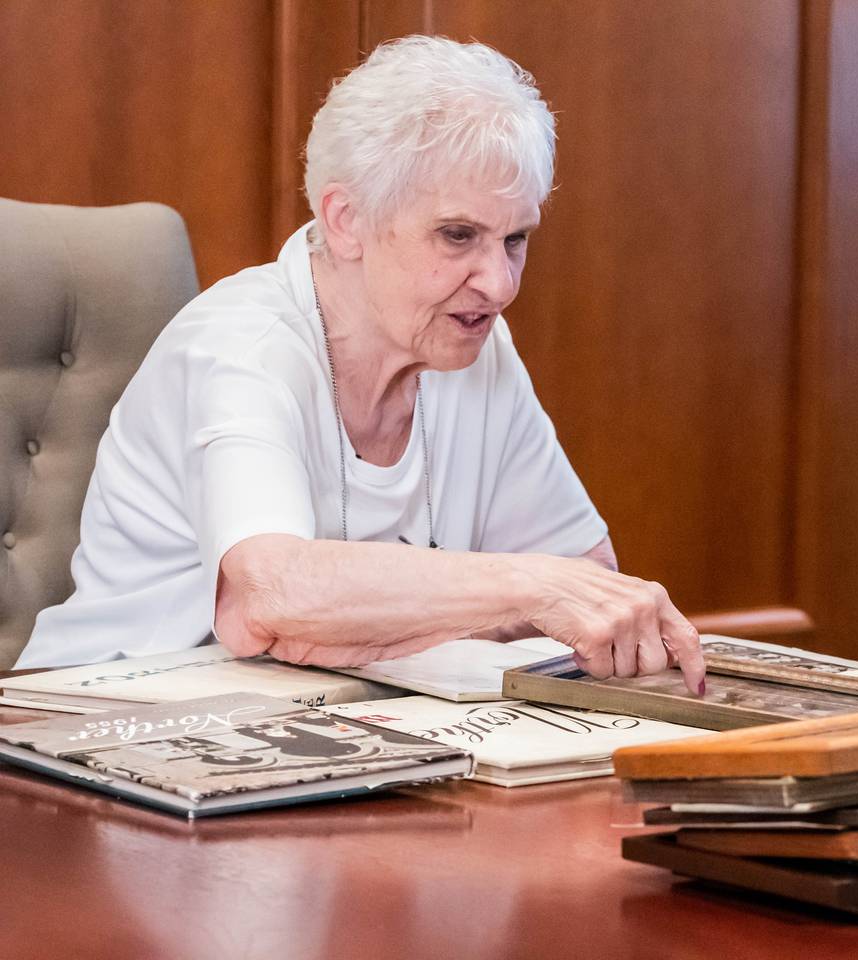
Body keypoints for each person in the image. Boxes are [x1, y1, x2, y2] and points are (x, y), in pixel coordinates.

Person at [19, 36, 705, 697]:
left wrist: (360, 626)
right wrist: (529, 590)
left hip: (343, 734)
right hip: (108, 732)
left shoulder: (472, 343)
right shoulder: (241, 346)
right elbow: (270, 597)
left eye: (516, 239)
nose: (498, 285)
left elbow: (587, 578)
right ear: (345, 220)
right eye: (458, 235)